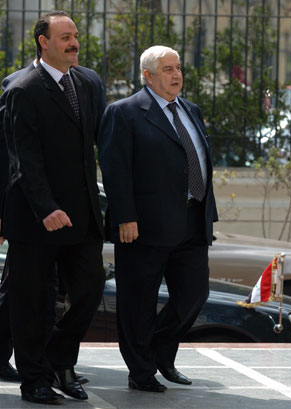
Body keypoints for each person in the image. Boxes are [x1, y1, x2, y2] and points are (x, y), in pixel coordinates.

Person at [99, 45, 218, 393]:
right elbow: (115, 168)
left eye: (178, 67)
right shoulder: (124, 113)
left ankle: (160, 352)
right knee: (137, 303)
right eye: (167, 69)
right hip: (143, 226)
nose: (177, 74)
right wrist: (125, 216)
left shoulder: (191, 110)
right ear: (147, 76)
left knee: (194, 294)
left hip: (192, 221)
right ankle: (141, 371)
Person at [2, 11, 105, 404]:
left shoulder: (88, 81)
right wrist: (45, 207)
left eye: (75, 35)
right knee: (32, 303)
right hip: (35, 218)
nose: (74, 42)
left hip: (82, 215)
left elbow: (101, 141)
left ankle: (60, 359)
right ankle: (35, 381)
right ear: (43, 42)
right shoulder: (22, 89)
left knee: (90, 289)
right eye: (65, 36)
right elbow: (22, 159)